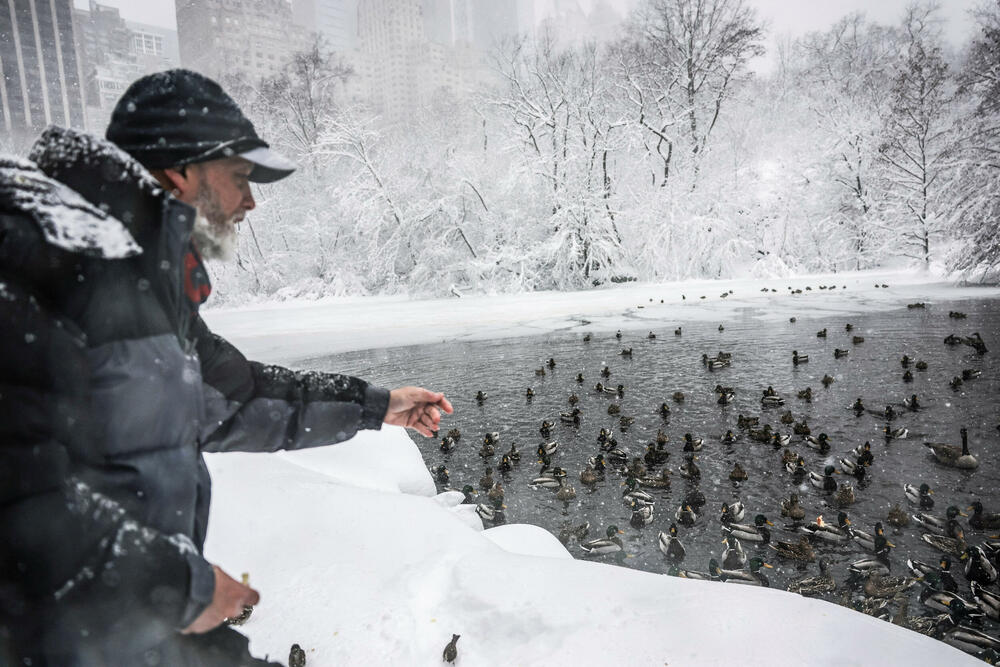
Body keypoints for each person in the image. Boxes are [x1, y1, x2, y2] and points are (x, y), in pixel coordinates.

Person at [0, 69, 452, 665]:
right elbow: (19, 502)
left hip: (133, 629)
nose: (250, 200)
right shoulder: (37, 263)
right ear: (181, 171)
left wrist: (377, 404)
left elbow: (238, 397)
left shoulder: (141, 286)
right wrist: (182, 586)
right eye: (239, 177)